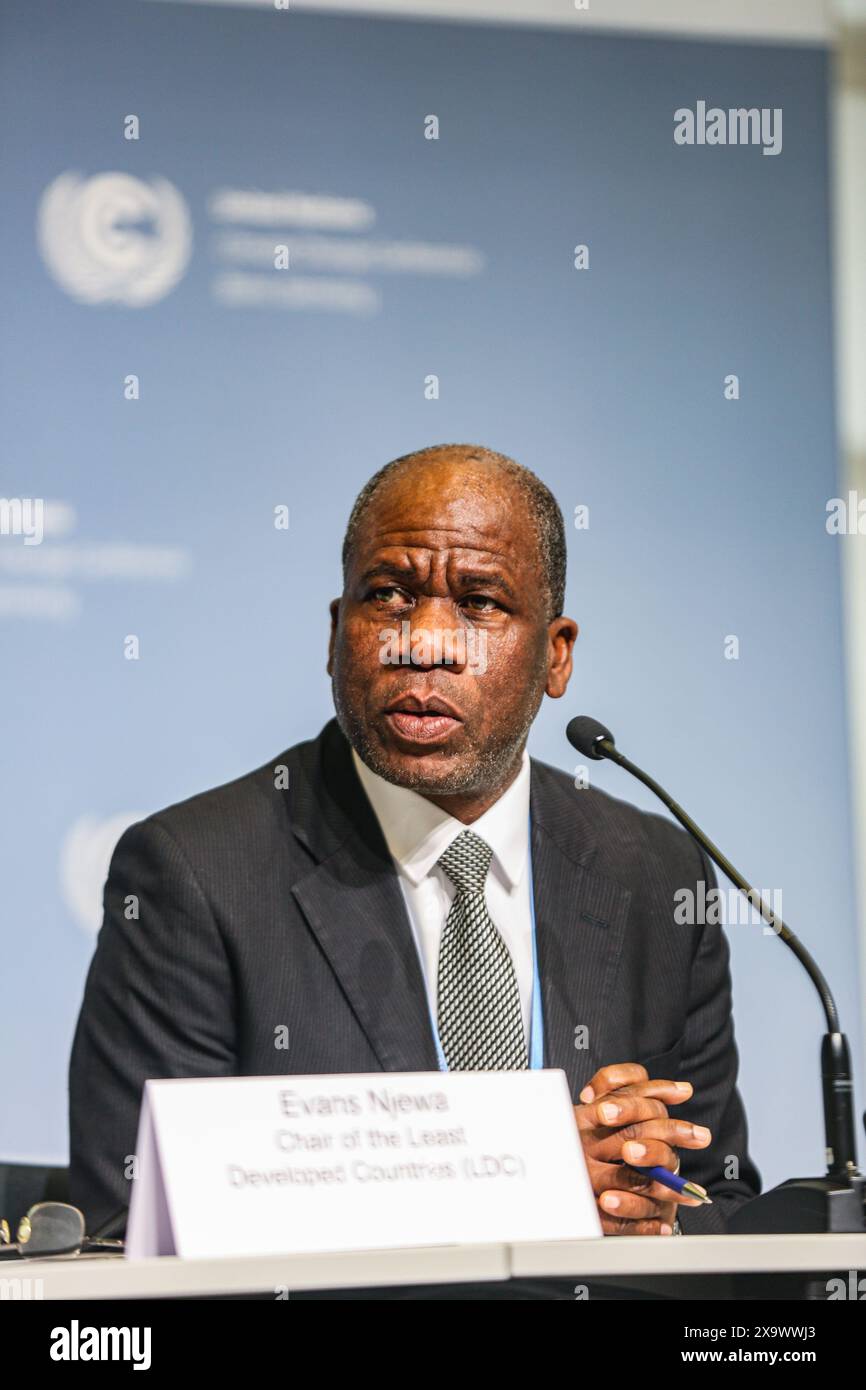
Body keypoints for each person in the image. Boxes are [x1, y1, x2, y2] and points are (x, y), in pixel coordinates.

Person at [69, 443, 761, 1237]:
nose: (425, 641)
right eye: (389, 594)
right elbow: (132, 1227)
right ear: (337, 633)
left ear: (556, 655)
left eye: (480, 603)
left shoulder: (654, 872)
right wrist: (525, 1183)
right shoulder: (195, 872)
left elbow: (721, 1202)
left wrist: (651, 1204)